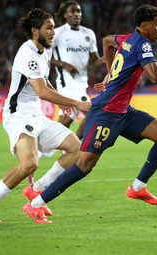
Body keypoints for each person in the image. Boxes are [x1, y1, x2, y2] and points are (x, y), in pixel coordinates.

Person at [24, 4, 157, 223]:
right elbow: (154, 76)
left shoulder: (127, 38)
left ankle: (138, 187)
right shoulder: (142, 43)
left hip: (123, 111)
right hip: (106, 112)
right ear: (144, 26)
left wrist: (110, 73)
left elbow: (107, 41)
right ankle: (36, 204)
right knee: (85, 165)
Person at [0, 8, 91, 223]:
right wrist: (75, 103)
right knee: (29, 164)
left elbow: (44, 82)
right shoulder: (27, 54)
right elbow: (41, 91)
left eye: (53, 27)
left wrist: (62, 99)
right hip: (18, 116)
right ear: (35, 30)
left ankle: (36, 190)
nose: (53, 32)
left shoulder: (46, 49)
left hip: (36, 115)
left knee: (77, 149)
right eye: (48, 28)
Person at [28, 0, 103, 184]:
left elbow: (95, 61)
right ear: (65, 15)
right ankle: (74, 145)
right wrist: (64, 64)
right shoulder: (58, 33)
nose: (77, 14)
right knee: (94, 112)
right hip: (66, 84)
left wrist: (114, 56)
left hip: (81, 85)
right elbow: (46, 56)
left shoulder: (89, 34)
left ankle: (32, 158)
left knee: (62, 125)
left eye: (79, 11)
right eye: (72, 11)